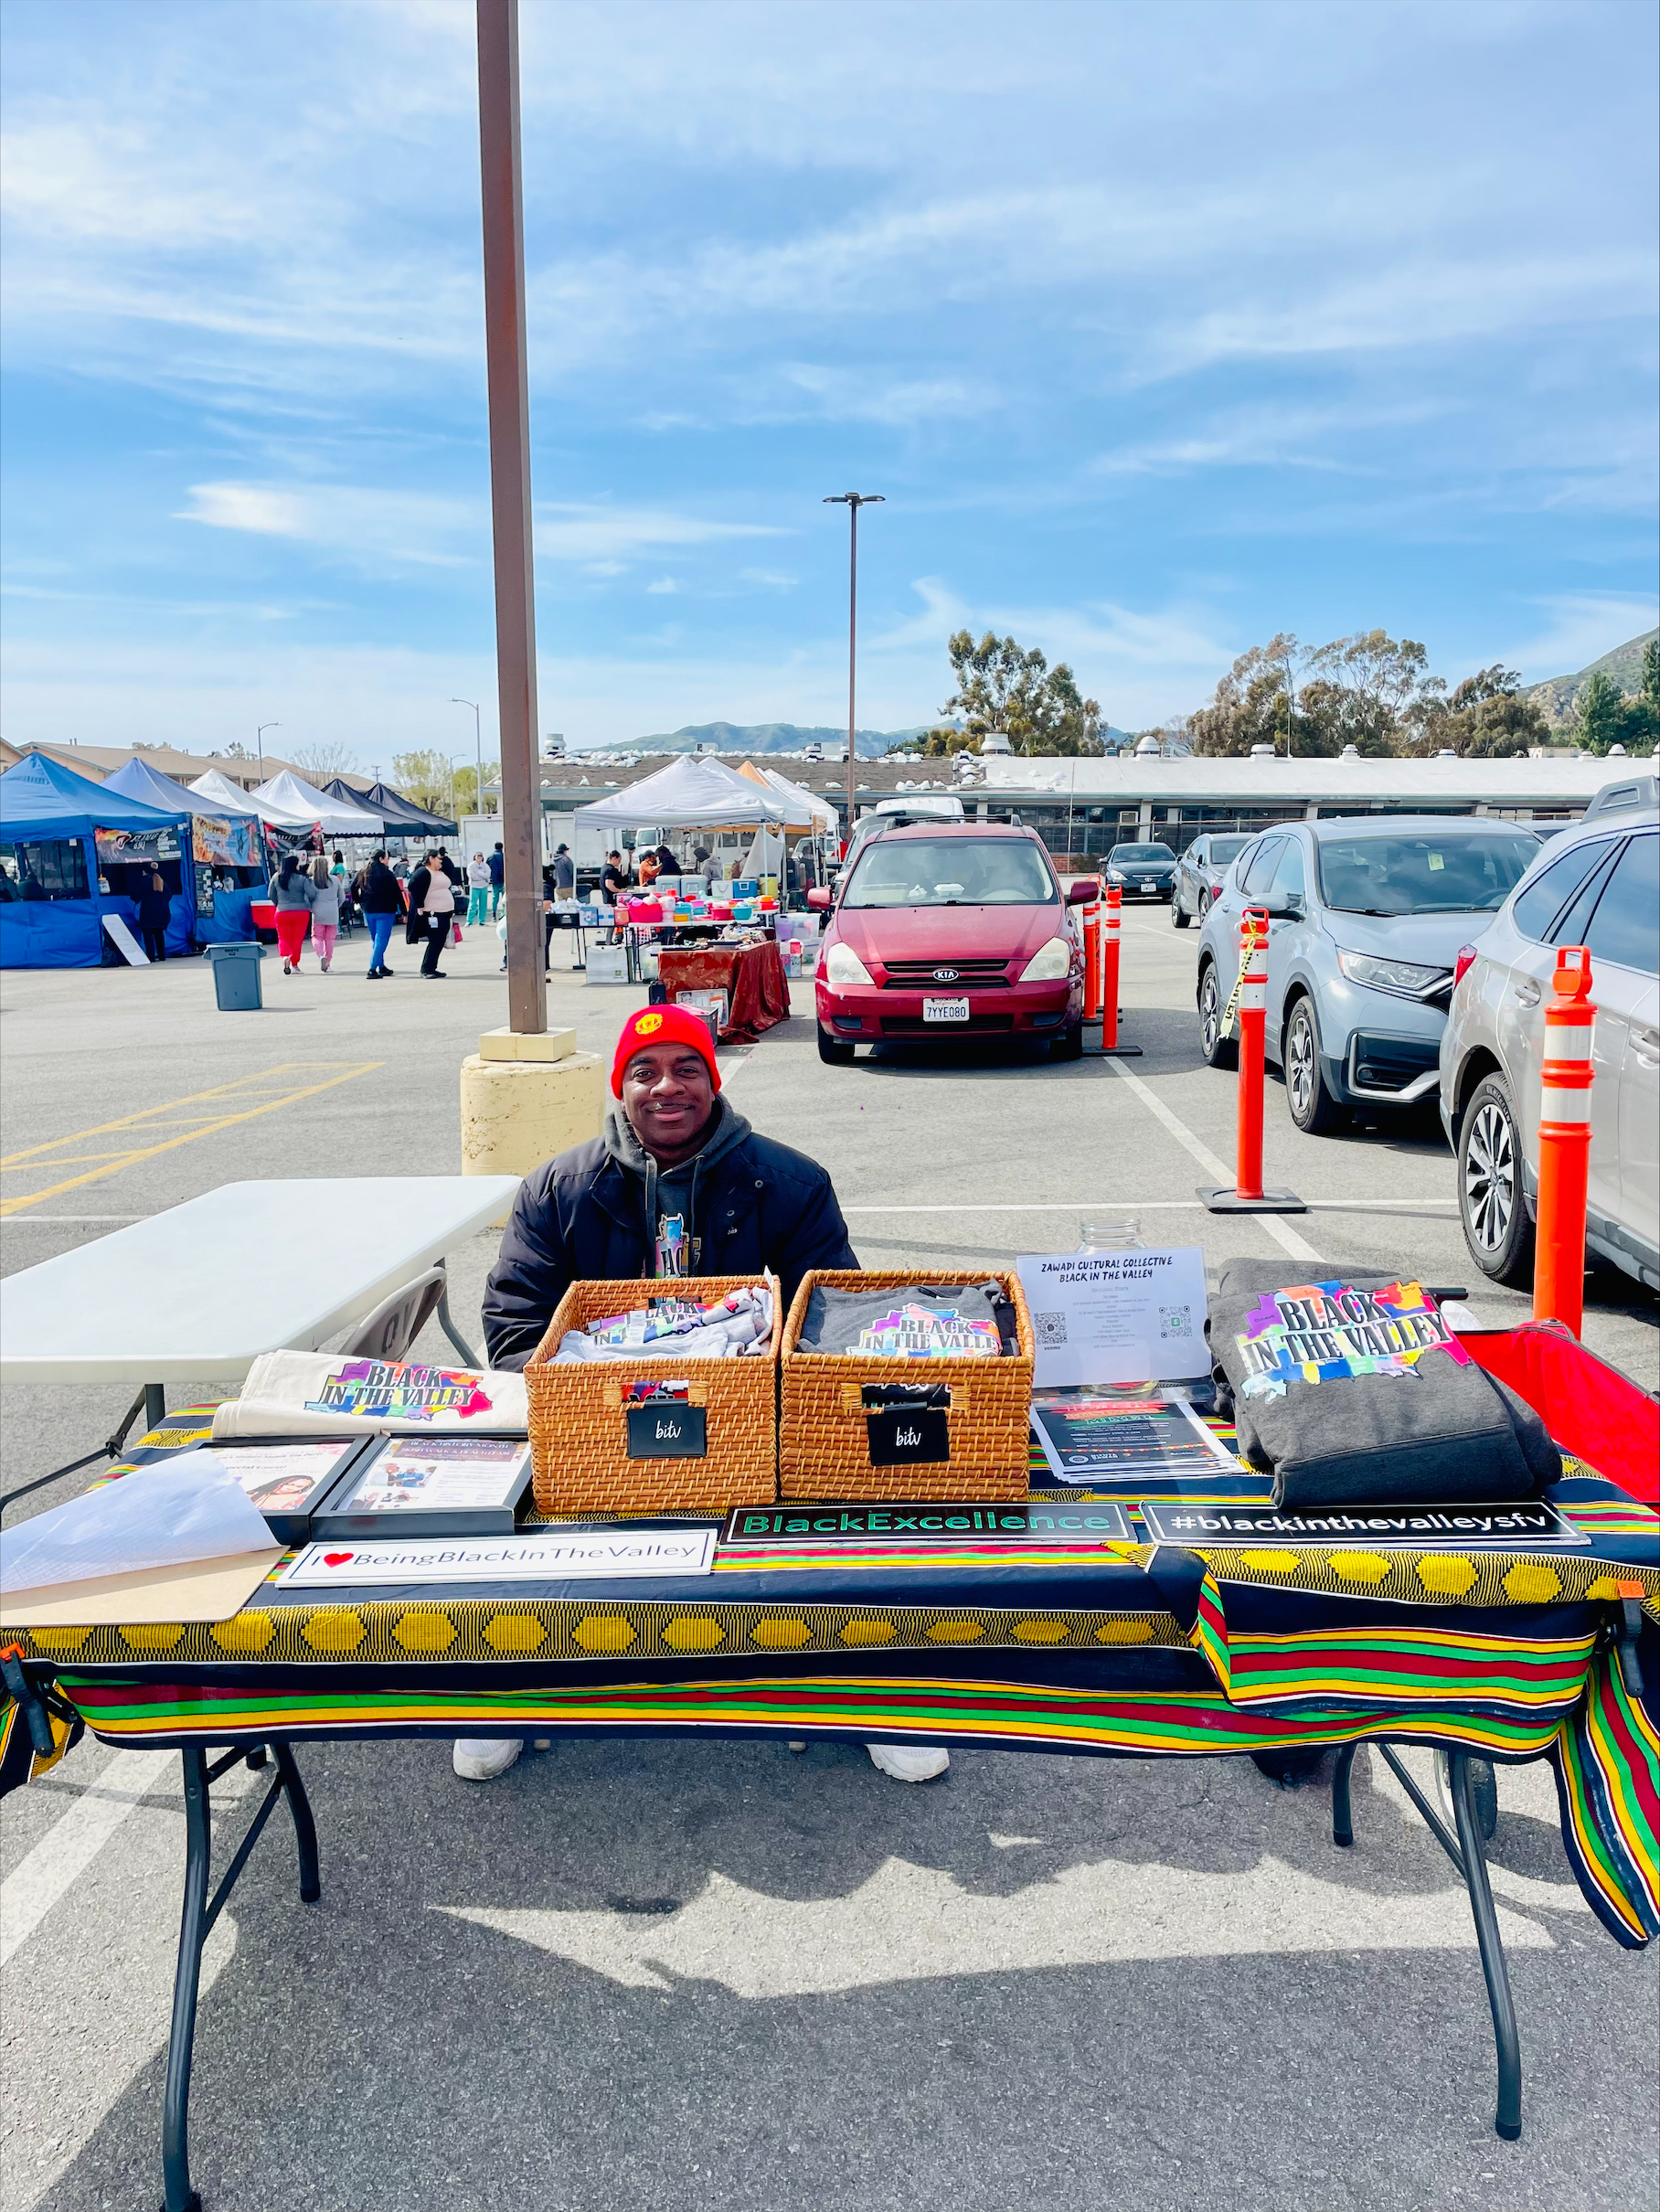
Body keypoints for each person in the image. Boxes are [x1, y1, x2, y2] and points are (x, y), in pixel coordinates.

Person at [462, 1006, 948, 1789]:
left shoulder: (790, 1183)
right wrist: (584, 1401)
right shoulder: (556, 1189)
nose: (666, 1087)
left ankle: (870, 1698)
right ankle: (510, 1696)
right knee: (503, 1502)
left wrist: (753, 1395)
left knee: (849, 1505)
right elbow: (515, 1325)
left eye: (687, 1068)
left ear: (714, 1082)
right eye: (644, 1071)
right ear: (619, 1087)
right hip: (599, 1428)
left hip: (756, 1425)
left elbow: (831, 1320)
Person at [406, 851, 453, 978]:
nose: (441, 861)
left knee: (440, 939)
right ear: (431, 859)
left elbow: (449, 871)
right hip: (432, 912)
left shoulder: (440, 871)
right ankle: (426, 969)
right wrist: (420, 905)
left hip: (444, 912)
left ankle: (432, 967)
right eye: (438, 858)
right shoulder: (423, 872)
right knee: (436, 939)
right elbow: (413, 886)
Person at [358, 850, 403, 979]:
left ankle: (381, 966)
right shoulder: (388, 874)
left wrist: (358, 900)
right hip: (385, 910)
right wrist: (403, 910)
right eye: (387, 858)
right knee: (381, 940)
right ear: (381, 859)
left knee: (376, 940)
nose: (388, 861)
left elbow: (352, 886)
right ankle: (372, 968)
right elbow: (397, 893)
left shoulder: (364, 872)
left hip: (369, 910)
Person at [270, 852, 316, 974]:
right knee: (297, 939)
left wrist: (279, 904)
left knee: (283, 937)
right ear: (296, 865)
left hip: (282, 912)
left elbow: (270, 894)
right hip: (301, 912)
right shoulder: (302, 879)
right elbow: (312, 893)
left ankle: (285, 956)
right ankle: (295, 964)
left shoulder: (276, 877)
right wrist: (308, 903)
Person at [308, 854, 340, 972]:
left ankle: (321, 955)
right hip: (332, 913)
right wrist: (335, 906)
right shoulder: (335, 880)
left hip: (318, 912)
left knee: (317, 936)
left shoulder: (311, 882)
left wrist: (311, 908)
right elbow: (341, 897)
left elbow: (307, 898)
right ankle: (328, 961)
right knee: (330, 939)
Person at [136, 870, 172, 962]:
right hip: (162, 912)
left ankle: (151, 957)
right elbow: (169, 895)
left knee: (148, 935)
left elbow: (136, 896)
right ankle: (162, 956)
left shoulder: (143, 882)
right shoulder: (162, 882)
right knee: (159, 934)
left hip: (148, 912)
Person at [466, 852, 492, 927]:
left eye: (481, 856)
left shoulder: (485, 865)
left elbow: (488, 874)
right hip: (474, 886)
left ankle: (482, 920)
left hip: (484, 886)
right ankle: (469, 921)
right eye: (478, 856)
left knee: (483, 904)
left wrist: (479, 873)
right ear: (475, 857)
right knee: (473, 904)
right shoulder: (471, 865)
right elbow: (472, 876)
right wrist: (482, 877)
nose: (479, 857)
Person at [488, 841, 505, 918]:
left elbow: (487, 868)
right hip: (503, 880)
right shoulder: (504, 856)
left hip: (494, 880)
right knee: (504, 898)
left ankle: (494, 914)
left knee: (495, 897)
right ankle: (503, 914)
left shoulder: (490, 856)